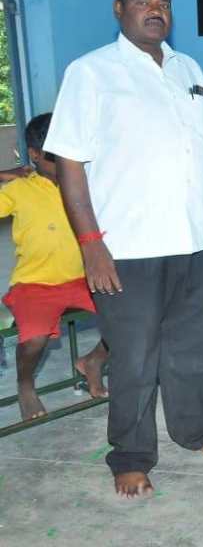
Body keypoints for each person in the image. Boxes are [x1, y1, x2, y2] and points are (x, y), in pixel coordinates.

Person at [45, 0, 203, 499]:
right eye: (142, 0)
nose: (156, 9)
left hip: (193, 241)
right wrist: (91, 244)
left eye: (164, 1)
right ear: (119, 8)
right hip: (127, 248)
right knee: (134, 357)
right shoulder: (91, 73)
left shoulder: (188, 69)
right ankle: (130, 455)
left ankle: (194, 430)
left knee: (195, 349)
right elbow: (70, 165)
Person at [0, 113, 108, 420]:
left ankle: (93, 361)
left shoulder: (82, 184)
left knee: (131, 319)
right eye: (53, 155)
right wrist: (4, 173)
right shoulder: (20, 190)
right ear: (34, 155)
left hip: (83, 278)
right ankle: (25, 385)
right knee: (34, 337)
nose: (62, 162)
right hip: (35, 284)